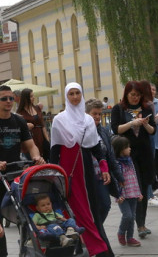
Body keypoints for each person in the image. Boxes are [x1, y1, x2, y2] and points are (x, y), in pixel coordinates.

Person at [0, 85, 45, 257]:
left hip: (15, 176)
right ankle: (0, 254)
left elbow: (31, 145)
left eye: (11, 98)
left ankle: (28, 249)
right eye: (4, 99)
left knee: (25, 216)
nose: (8, 101)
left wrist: (36, 157)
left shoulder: (19, 121)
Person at [51, 83, 113, 257]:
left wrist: (104, 166)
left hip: (86, 172)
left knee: (91, 211)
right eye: (71, 93)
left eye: (78, 93)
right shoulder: (59, 120)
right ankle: (96, 249)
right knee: (75, 211)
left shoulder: (87, 120)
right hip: (68, 172)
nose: (75, 97)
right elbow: (54, 150)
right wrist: (54, 175)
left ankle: (97, 248)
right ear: (66, 96)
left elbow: (96, 148)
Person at [110, 81, 155, 240]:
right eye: (132, 95)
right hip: (126, 155)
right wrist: (131, 123)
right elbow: (116, 129)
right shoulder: (118, 109)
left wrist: (145, 124)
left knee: (142, 188)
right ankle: (130, 225)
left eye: (138, 95)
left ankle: (141, 224)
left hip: (144, 153)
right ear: (126, 94)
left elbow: (152, 130)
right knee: (132, 189)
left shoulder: (146, 109)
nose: (135, 98)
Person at [86, 98, 123, 225]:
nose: (97, 117)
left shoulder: (103, 131)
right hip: (87, 174)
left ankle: (95, 229)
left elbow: (110, 156)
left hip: (102, 174)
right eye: (94, 114)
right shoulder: (81, 130)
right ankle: (92, 232)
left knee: (105, 204)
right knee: (90, 206)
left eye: (99, 114)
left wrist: (119, 177)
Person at [112, 136, 142, 247]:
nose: (130, 149)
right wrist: (117, 195)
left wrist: (139, 192)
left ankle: (130, 237)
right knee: (127, 215)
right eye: (127, 147)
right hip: (123, 195)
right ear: (120, 149)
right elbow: (115, 181)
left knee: (132, 216)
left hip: (133, 192)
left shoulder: (130, 161)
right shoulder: (116, 164)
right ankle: (121, 232)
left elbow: (134, 176)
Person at [16, 88, 50, 157]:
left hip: (41, 138)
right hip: (30, 140)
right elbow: (18, 128)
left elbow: (43, 125)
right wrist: (25, 125)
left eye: (33, 96)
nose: (33, 98)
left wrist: (47, 140)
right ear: (25, 98)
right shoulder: (20, 112)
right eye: (31, 96)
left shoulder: (37, 108)